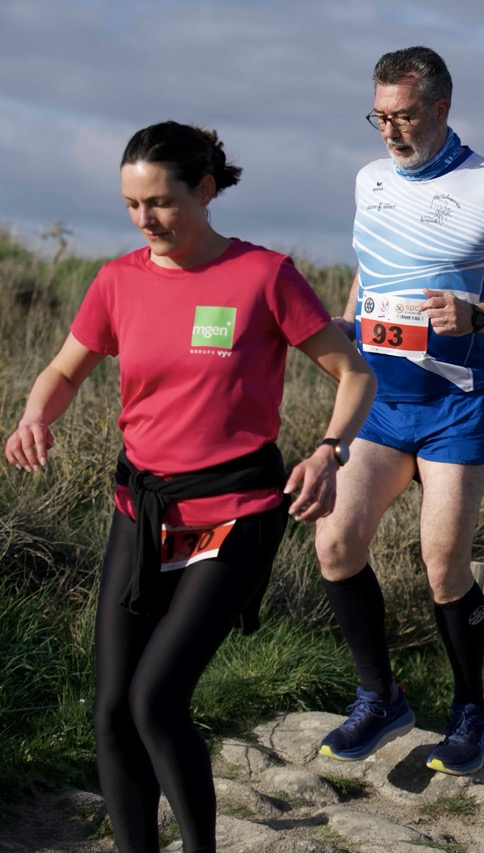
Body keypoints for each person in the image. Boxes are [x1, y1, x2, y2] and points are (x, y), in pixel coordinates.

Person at [4, 122, 375, 853]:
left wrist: (330, 451)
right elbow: (64, 370)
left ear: (205, 191)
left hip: (235, 513)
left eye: (161, 202)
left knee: (155, 699)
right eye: (131, 204)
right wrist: (34, 415)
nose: (145, 219)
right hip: (141, 511)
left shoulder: (264, 275)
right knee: (112, 711)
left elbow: (354, 373)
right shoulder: (117, 280)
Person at [314, 45, 484, 773]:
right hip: (381, 400)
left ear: (442, 109)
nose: (390, 131)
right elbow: (368, 271)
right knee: (336, 544)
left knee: (444, 565)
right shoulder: (369, 180)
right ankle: (380, 696)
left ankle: (473, 708)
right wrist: (349, 333)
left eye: (405, 116)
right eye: (379, 117)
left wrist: (477, 315)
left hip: (456, 405)